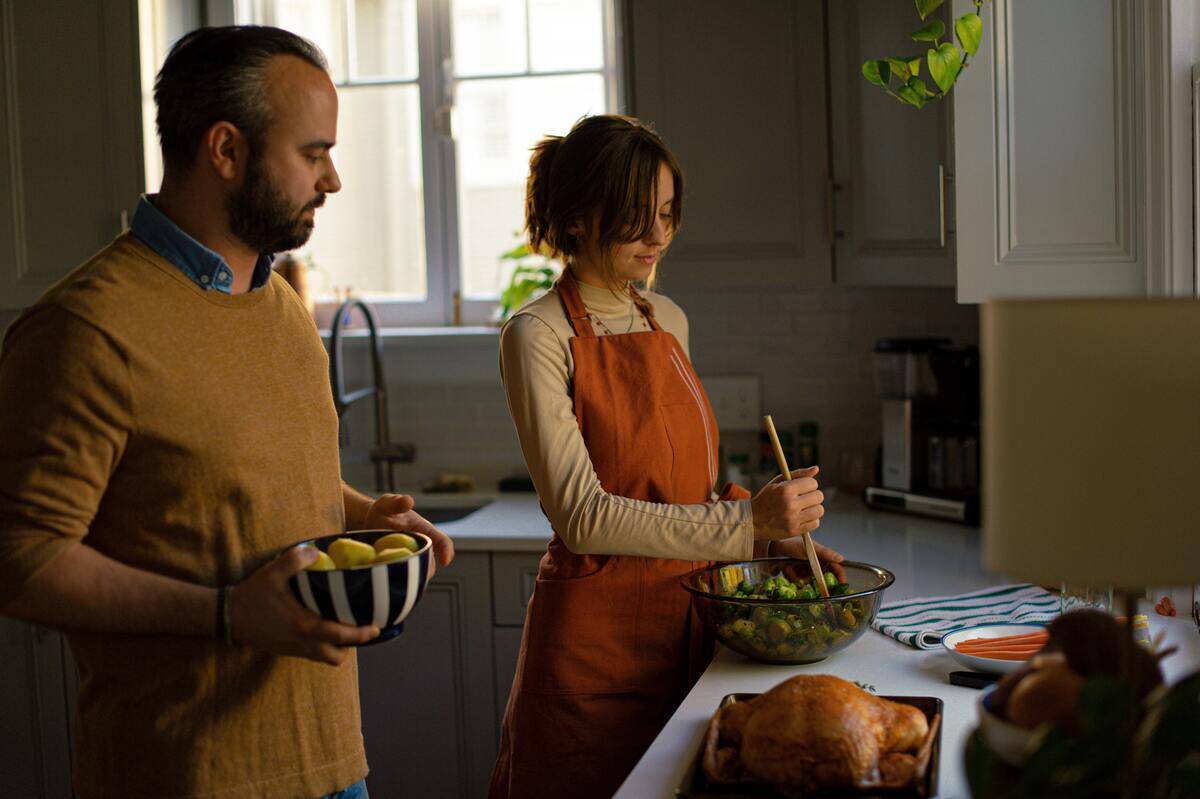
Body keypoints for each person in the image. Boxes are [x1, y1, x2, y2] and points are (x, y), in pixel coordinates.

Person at [0, 26, 452, 799]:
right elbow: (21, 558)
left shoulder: (277, 304)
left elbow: (242, 476)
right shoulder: (87, 327)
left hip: (337, 763)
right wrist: (227, 613)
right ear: (226, 151)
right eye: (313, 153)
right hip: (185, 776)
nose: (334, 178)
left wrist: (364, 515)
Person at [489, 114, 841, 799]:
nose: (659, 236)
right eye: (638, 217)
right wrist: (749, 527)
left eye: (669, 215)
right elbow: (585, 517)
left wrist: (775, 542)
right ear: (582, 216)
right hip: (593, 656)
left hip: (689, 635)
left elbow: (695, 492)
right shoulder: (535, 335)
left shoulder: (668, 319)